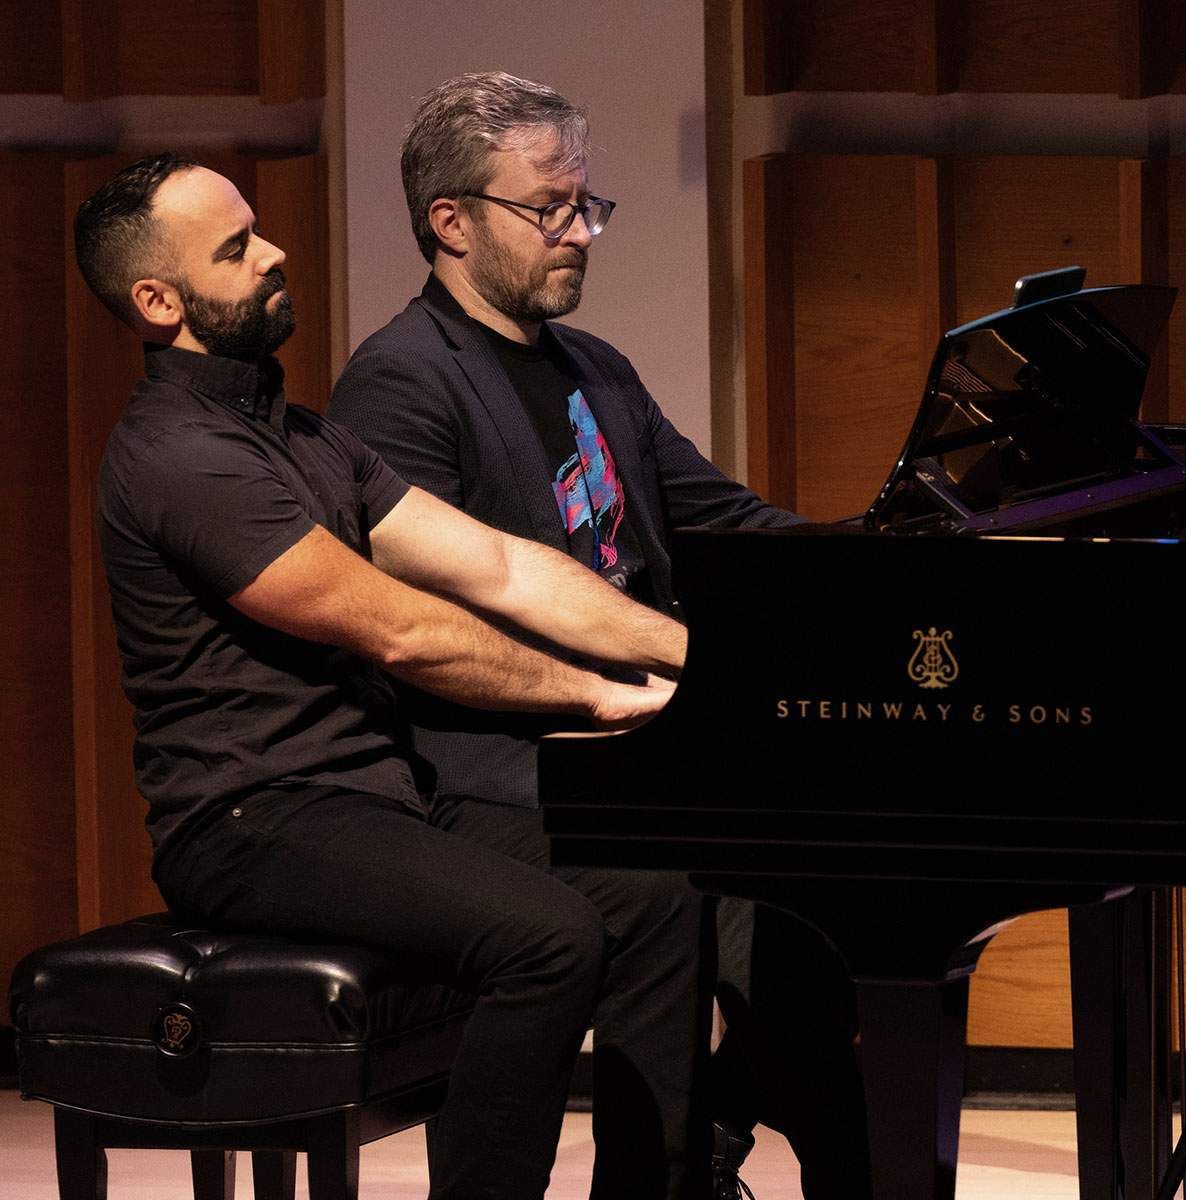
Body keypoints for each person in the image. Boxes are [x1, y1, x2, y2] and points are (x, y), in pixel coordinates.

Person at [75, 151, 713, 1200]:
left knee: (655, 887)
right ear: (158, 300)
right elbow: (404, 632)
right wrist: (599, 693)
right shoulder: (178, 456)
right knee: (549, 940)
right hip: (253, 820)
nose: (276, 253)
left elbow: (502, 567)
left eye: (257, 229)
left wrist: (693, 660)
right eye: (236, 249)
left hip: (377, 798)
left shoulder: (304, 440)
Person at [327, 72, 871, 1200]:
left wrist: (887, 555)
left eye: (588, 208)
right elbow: (432, 625)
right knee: (670, 890)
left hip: (637, 746)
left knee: (812, 916)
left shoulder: (595, 371)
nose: (580, 234)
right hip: (490, 772)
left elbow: (735, 530)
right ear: (453, 223)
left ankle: (749, 1157)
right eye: (551, 211)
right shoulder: (401, 383)